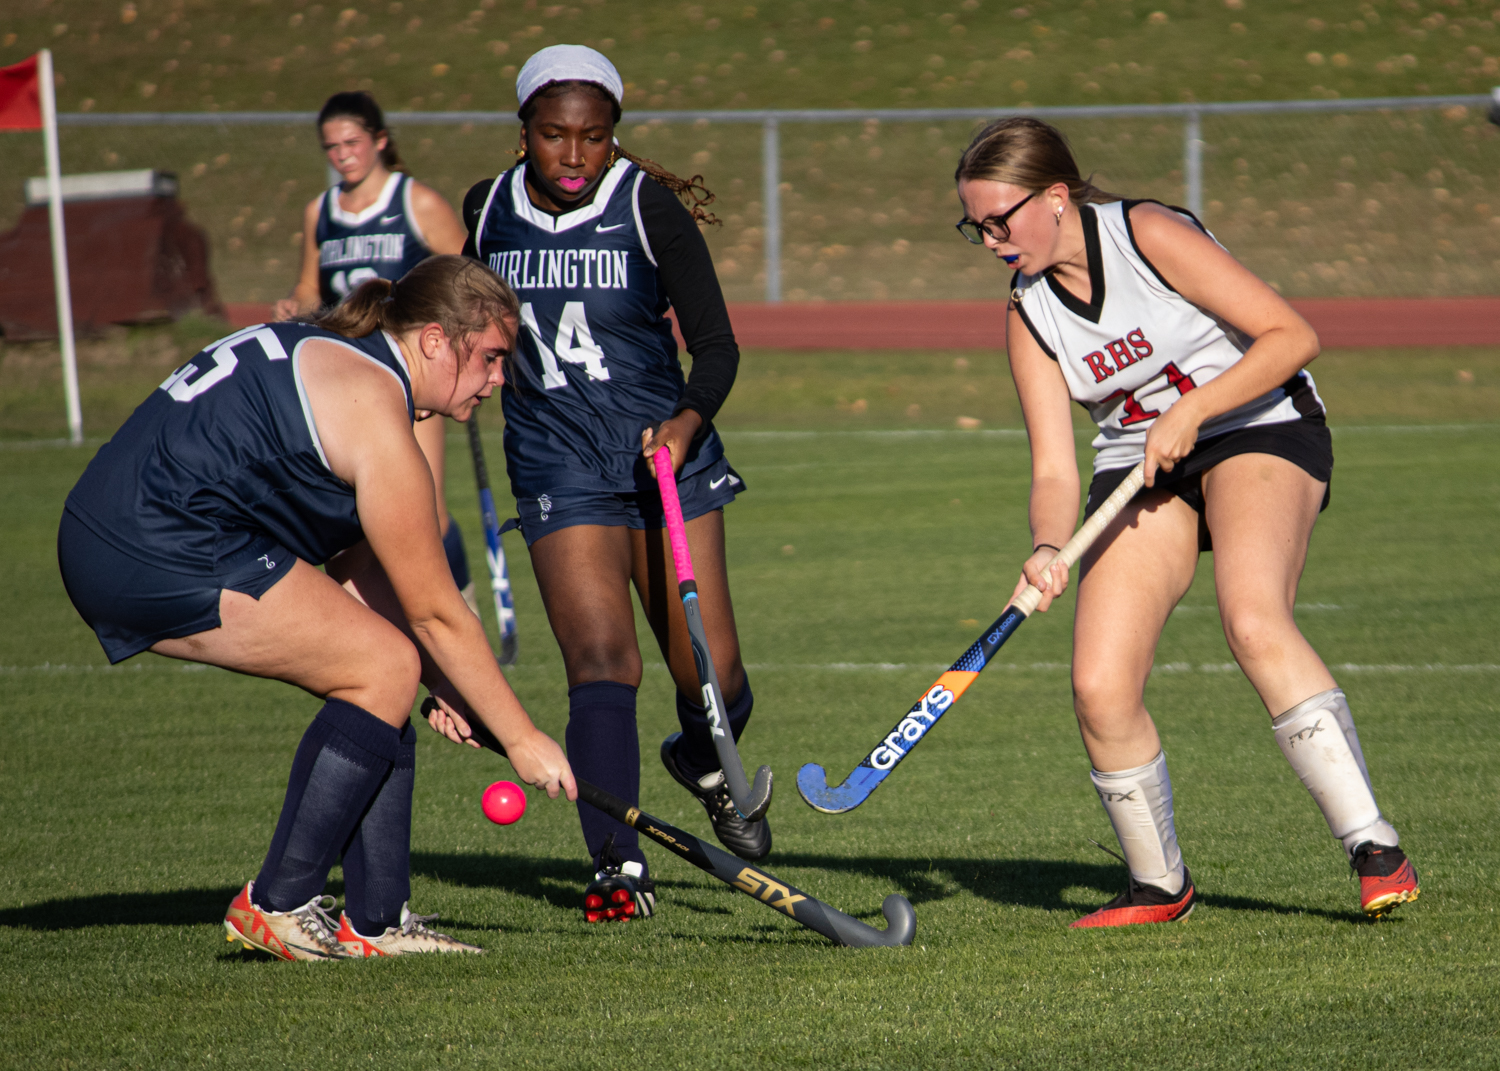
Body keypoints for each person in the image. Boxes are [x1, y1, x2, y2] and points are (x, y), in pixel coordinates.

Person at [954, 118, 1419, 927]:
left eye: (1000, 221)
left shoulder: (1146, 233)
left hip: (1257, 425)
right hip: (1139, 466)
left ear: (1055, 197)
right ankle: (1158, 884)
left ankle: (1374, 846)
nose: (992, 241)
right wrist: (1047, 546)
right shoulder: (1030, 314)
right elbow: (1055, 468)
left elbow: (1293, 335)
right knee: (1099, 684)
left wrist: (1195, 408)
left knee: (1253, 617)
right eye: (976, 228)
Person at [58, 256, 575, 960]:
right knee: (383, 664)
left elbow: (361, 572)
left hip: (126, 529)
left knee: (384, 664)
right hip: (150, 542)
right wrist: (521, 738)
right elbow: (436, 613)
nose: (498, 378)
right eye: (489, 356)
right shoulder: (375, 409)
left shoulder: (347, 361)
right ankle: (278, 904)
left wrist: (449, 684)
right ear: (434, 340)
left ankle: (378, 920)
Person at [436, 44, 763, 919]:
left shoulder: (647, 207)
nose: (575, 154)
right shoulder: (488, 210)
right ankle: (618, 865)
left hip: (665, 461)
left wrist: (686, 424)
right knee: (601, 662)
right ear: (524, 133)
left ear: (614, 134)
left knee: (714, 678)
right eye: (555, 134)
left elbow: (717, 345)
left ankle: (700, 758)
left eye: (593, 135)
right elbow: (461, 317)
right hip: (558, 463)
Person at [275, 91, 481, 619]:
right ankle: (373, 626)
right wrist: (296, 306)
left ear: (380, 140)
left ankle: (461, 611)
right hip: (346, 381)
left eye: (352, 142)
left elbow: (469, 278)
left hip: (411, 375)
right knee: (355, 519)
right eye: (332, 147)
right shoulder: (320, 212)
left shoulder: (415, 202)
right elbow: (310, 286)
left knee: (426, 510)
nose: (343, 155)